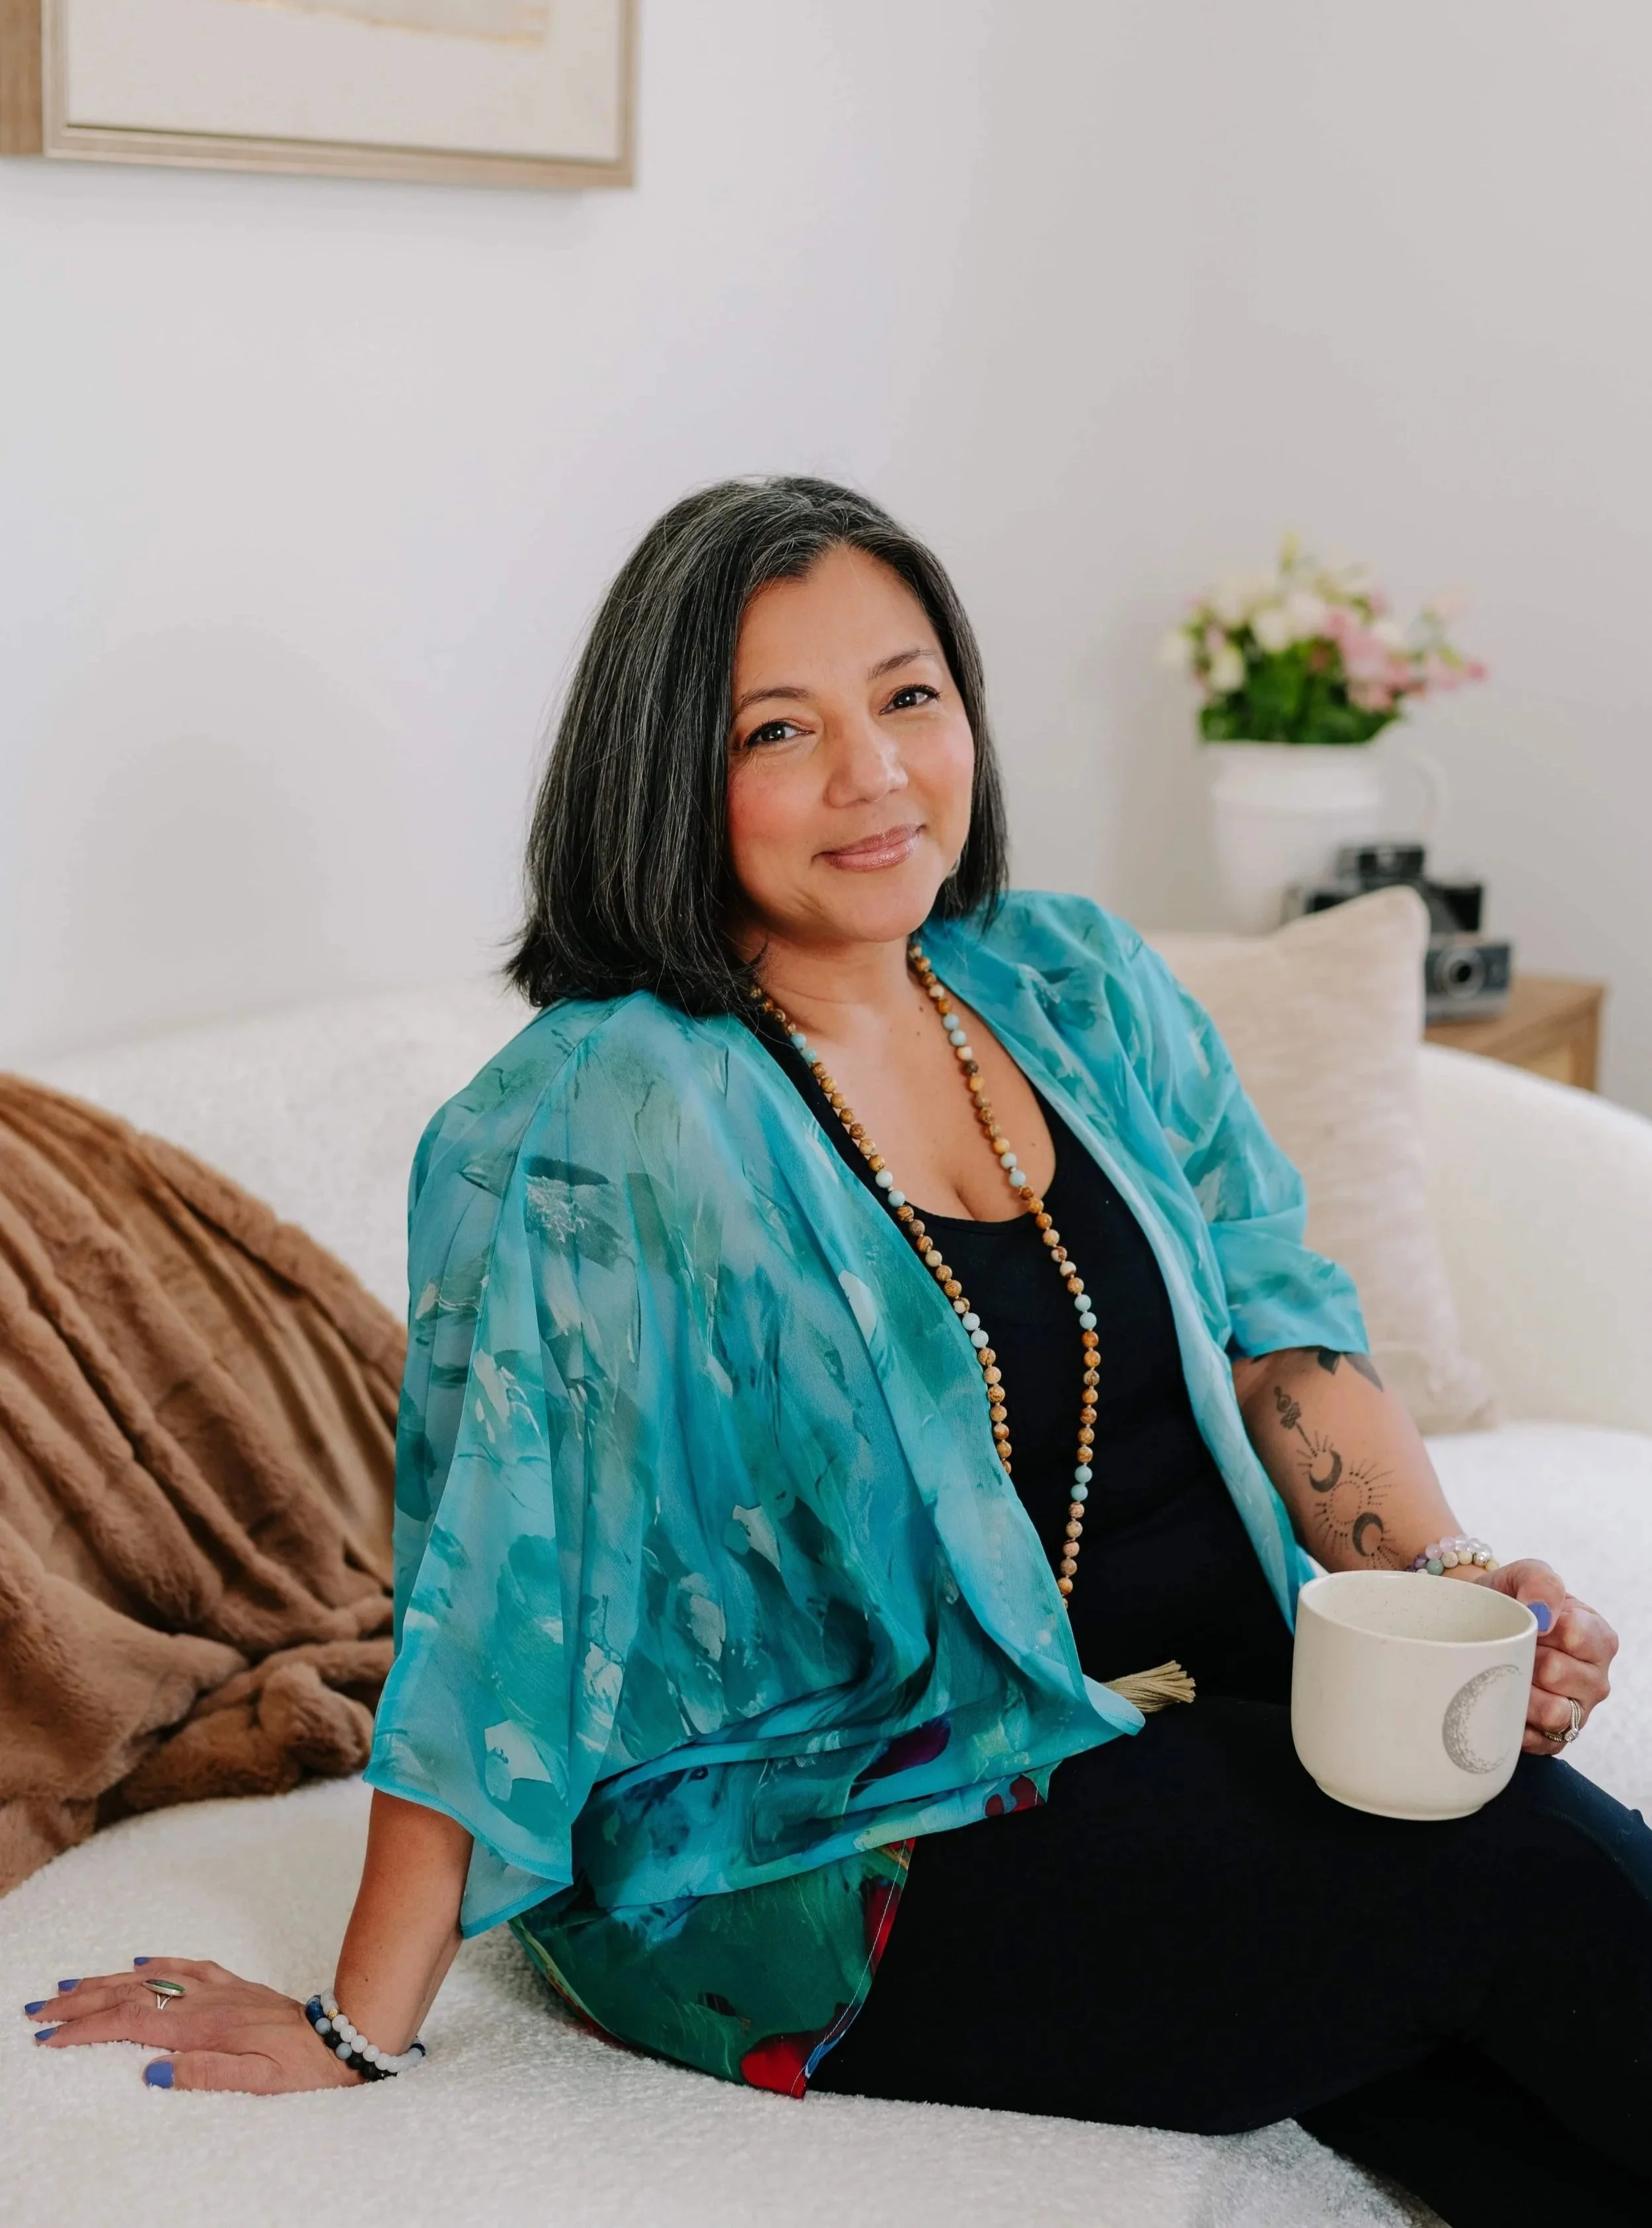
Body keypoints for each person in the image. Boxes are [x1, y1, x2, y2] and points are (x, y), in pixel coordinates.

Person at [26, 479, 1639, 2227]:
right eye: (779, 730)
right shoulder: (604, 1113)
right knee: (1512, 1877)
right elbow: (505, 1587)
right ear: (666, 780)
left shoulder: (1072, 980)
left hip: (1208, 1715)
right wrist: (358, 2019)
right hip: (845, 1838)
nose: (873, 773)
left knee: (1511, 2036)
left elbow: (1282, 1329)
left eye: (908, 694)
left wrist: (1452, 1594)